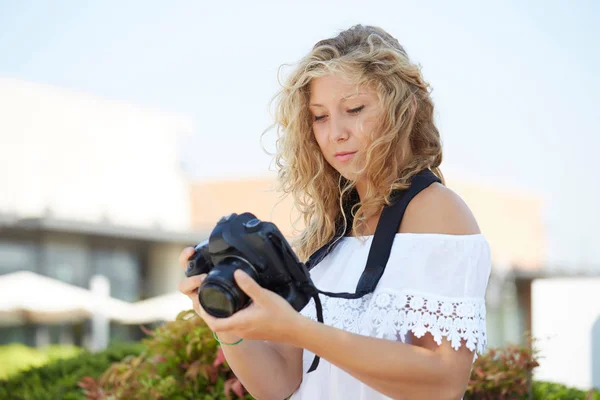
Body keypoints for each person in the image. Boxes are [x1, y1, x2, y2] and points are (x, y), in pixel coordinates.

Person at [178, 24, 491, 400]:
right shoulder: (331, 234)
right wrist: (226, 324)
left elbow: (442, 384)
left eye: (354, 109)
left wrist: (297, 329)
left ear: (406, 108)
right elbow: (281, 387)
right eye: (320, 116)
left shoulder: (437, 212)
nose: (335, 133)